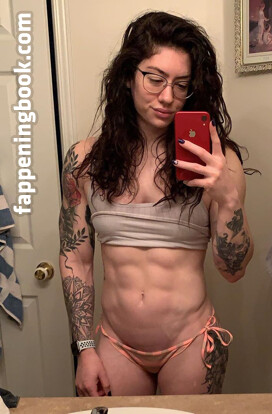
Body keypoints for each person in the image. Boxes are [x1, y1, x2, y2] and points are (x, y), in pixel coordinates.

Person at [59, 11, 254, 397]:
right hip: (115, 345)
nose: (167, 97)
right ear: (128, 76)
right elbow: (76, 259)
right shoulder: (84, 161)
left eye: (181, 85)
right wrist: (85, 349)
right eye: (155, 79)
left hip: (191, 343)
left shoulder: (217, 162)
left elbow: (233, 270)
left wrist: (229, 197)